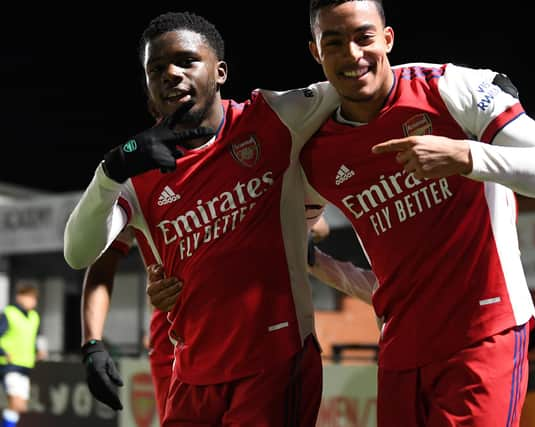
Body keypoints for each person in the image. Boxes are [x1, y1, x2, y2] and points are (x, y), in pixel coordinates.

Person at [300, 1, 535, 425]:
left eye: (364, 37)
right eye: (335, 42)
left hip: (484, 332)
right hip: (400, 346)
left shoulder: (451, 89)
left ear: (387, 38)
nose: (353, 55)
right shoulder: (315, 149)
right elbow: (283, 238)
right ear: (316, 52)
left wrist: (466, 154)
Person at [63, 11, 341, 426]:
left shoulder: (271, 118)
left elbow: (357, 88)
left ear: (221, 71)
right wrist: (110, 171)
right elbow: (79, 253)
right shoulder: (134, 172)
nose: (171, 74)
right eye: (156, 69)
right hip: (189, 373)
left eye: (186, 61)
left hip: (274, 362)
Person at [80, 226, 178, 421]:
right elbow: (102, 266)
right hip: (172, 337)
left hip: (246, 333)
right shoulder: (133, 196)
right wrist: (93, 346)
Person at [0, 283, 48, 427]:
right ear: (19, 297)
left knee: (20, 407)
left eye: (34, 298)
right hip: (9, 365)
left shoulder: (34, 317)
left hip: (25, 365)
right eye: (29, 297)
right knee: (16, 403)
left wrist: (39, 350)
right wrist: (3, 353)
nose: (33, 301)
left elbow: (33, 337)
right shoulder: (8, 313)